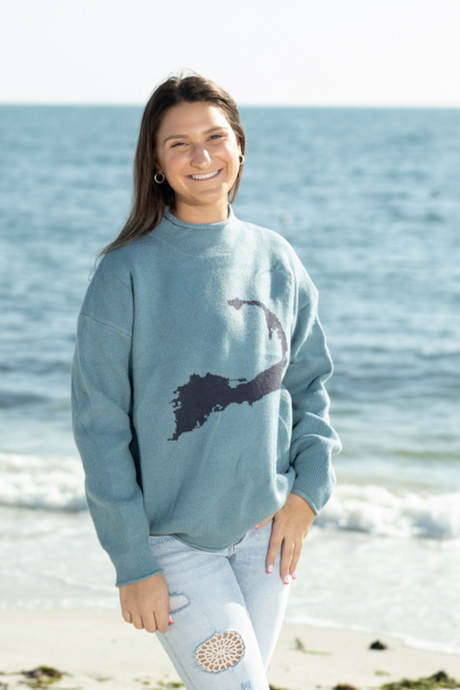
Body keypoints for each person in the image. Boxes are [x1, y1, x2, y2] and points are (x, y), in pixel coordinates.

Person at [71, 72, 341, 690]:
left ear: (239, 146)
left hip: (266, 539)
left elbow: (310, 385)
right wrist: (132, 562)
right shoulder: (124, 273)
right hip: (172, 547)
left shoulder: (276, 258)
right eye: (179, 143)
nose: (201, 156)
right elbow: (100, 427)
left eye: (215, 137)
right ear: (155, 162)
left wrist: (307, 495)